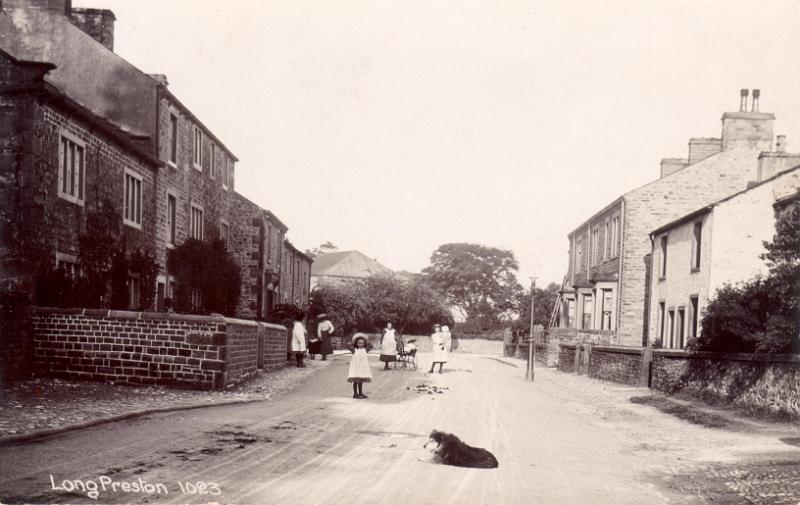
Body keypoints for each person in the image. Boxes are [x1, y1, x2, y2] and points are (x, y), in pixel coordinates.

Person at [348, 333, 373, 399]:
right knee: (356, 381)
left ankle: (360, 393)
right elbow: (348, 345)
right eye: (359, 343)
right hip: (356, 368)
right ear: (356, 343)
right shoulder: (354, 350)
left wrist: (366, 340)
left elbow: (371, 346)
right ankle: (355, 394)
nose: (361, 344)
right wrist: (353, 341)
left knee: (361, 381)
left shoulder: (365, 350)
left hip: (362, 368)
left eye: (362, 343)